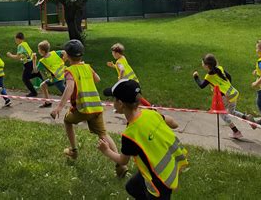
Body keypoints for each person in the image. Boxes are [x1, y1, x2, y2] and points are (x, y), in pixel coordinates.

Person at [98, 79, 188, 199]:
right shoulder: (149, 113)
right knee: (132, 187)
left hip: (159, 179)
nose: (112, 102)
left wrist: (106, 151)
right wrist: (174, 125)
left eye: (114, 99)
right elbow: (171, 122)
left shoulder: (130, 135)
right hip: (167, 164)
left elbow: (123, 161)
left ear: (120, 103)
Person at [50, 39, 128, 178]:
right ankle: (120, 164)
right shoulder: (87, 67)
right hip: (97, 108)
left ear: (67, 55)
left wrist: (59, 107)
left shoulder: (70, 71)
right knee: (103, 135)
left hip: (83, 109)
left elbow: (69, 88)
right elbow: (97, 79)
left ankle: (73, 151)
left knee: (67, 121)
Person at [193, 54, 255, 139]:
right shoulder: (220, 68)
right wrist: (227, 87)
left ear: (207, 66)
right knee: (232, 111)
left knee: (222, 114)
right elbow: (229, 77)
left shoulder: (209, 77)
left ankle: (236, 132)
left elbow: (201, 86)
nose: (202, 64)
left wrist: (196, 77)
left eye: (203, 63)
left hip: (225, 97)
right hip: (233, 92)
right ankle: (246, 117)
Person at [7, 32, 43, 97]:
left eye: (15, 40)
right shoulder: (25, 44)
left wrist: (10, 55)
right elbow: (25, 54)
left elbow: (18, 57)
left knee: (25, 79)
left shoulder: (20, 46)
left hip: (28, 64)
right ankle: (36, 74)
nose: (15, 42)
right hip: (32, 61)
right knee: (27, 76)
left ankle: (34, 92)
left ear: (18, 39)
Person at [33, 40, 66, 108]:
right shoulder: (54, 53)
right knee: (43, 85)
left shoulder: (42, 61)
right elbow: (64, 52)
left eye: (39, 49)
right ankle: (48, 102)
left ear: (42, 51)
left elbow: (35, 71)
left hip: (57, 80)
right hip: (60, 76)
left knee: (67, 94)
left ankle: (76, 104)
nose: (38, 51)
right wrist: (63, 60)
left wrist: (34, 60)